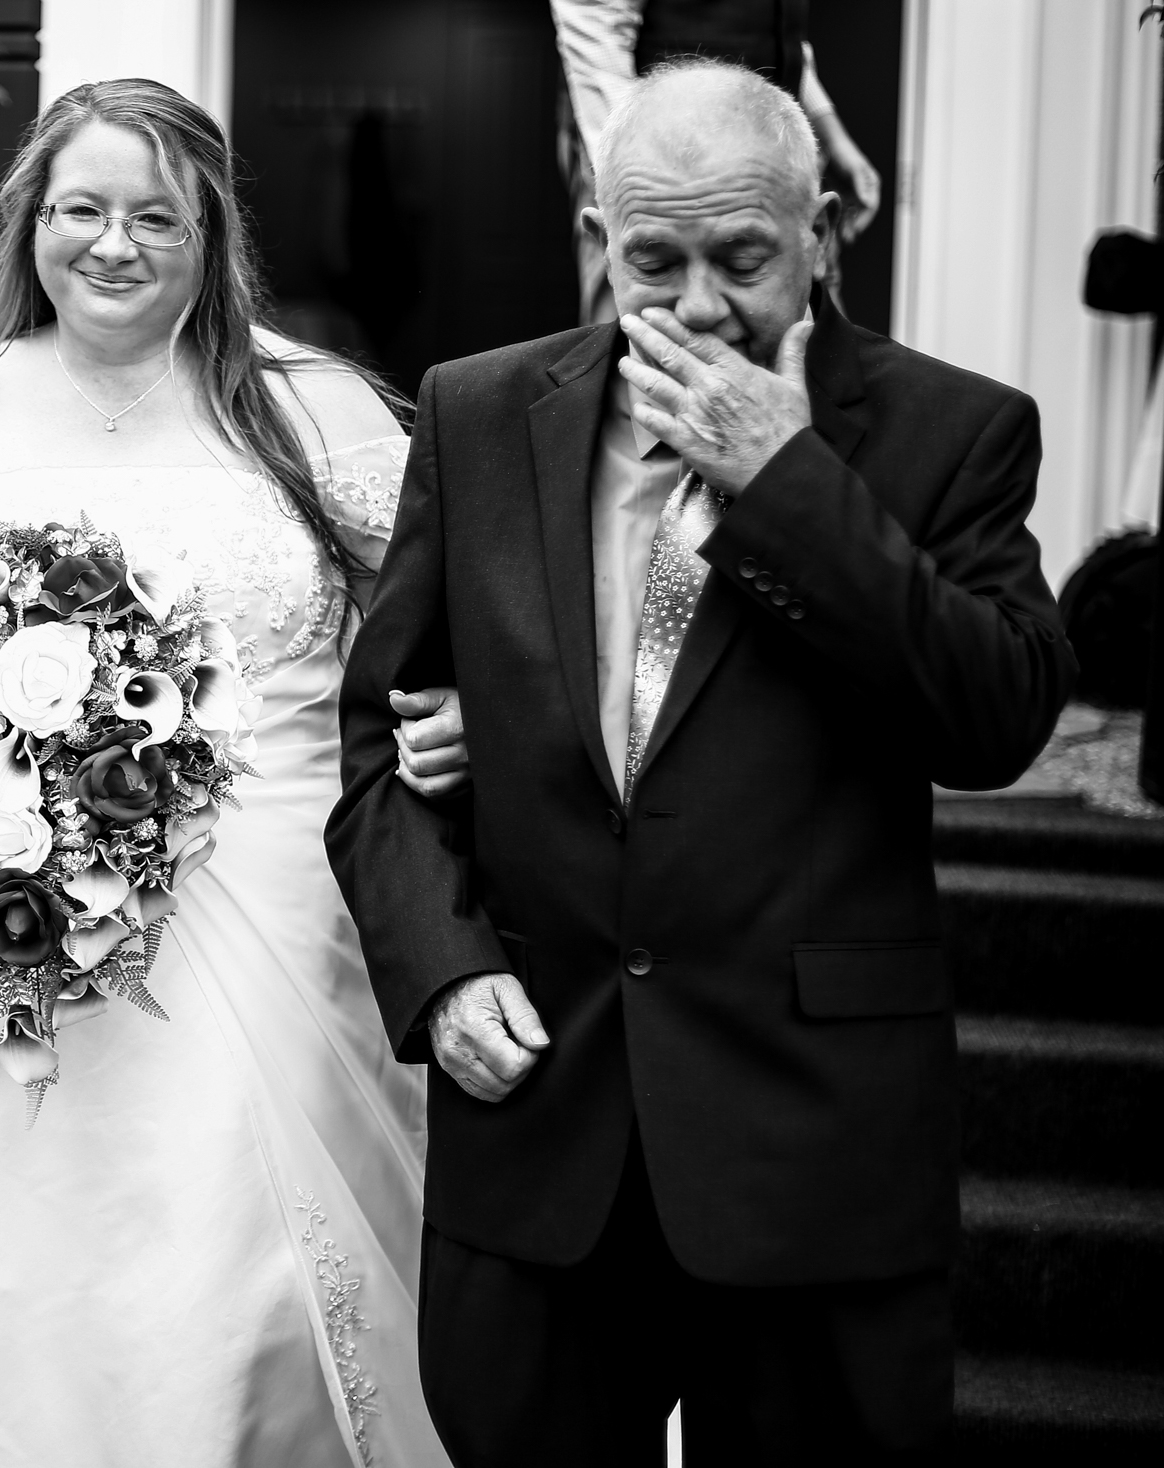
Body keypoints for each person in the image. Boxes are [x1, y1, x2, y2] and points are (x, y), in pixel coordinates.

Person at [328, 58, 1075, 1465]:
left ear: (826, 234)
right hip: (541, 1125)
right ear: (600, 245)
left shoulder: (954, 432)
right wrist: (440, 960)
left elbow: (995, 723)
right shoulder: (481, 413)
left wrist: (788, 484)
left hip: (811, 1147)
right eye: (653, 260)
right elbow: (379, 740)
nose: (696, 304)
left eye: (742, 258)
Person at [0, 78, 463, 1468]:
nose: (114, 243)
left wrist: (447, 722)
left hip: (283, 920)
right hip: (8, 930)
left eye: (155, 214)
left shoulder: (317, 410)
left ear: (211, 229)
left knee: (241, 1277)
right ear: (33, 220)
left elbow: (440, 640)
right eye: (83, 209)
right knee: (26, 1276)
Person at [552, 0, 885, 323]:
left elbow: (786, 40)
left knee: (816, 326)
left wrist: (831, 134)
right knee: (636, 331)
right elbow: (594, 27)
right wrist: (640, 171)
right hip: (660, 172)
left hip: (774, 156)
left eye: (746, 263)